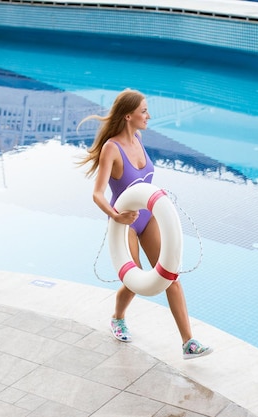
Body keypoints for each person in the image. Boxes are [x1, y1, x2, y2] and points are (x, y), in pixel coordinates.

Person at [77, 88, 213, 360]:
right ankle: (118, 317)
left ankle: (188, 342)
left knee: (170, 274)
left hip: (149, 216)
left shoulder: (138, 138)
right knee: (134, 275)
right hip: (124, 221)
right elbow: (97, 193)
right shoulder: (111, 149)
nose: (148, 116)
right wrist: (115, 216)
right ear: (129, 116)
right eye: (144, 111)